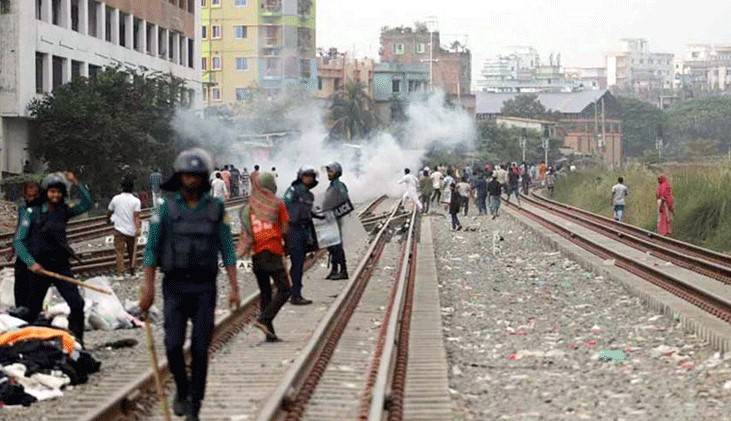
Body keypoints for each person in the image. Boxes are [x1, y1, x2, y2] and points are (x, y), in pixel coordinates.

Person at [139, 148, 239, 421]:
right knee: (172, 345)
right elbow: (151, 250)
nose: (191, 180)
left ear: (203, 177)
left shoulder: (216, 208)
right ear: (179, 177)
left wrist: (234, 287)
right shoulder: (166, 209)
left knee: (200, 349)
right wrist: (147, 288)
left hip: (205, 288)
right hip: (173, 287)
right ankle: (182, 390)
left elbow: (228, 249)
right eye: (186, 175)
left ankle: (196, 404)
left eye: (196, 176)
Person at [13, 172, 92, 345]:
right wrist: (30, 263)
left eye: (59, 192)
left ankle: (77, 342)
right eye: (52, 191)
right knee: (32, 311)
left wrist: (76, 183)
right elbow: (18, 241)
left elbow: (87, 204)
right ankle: (27, 343)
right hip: (39, 269)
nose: (55, 195)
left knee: (77, 304)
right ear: (45, 192)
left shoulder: (64, 211)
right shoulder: (31, 212)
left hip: (61, 266)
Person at [236, 172, 290, 342]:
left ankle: (269, 333)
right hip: (272, 252)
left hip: (256, 256)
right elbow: (285, 229)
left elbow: (246, 234)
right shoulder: (277, 203)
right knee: (285, 289)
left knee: (265, 293)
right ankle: (264, 319)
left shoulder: (248, 207)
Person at [283, 166, 319, 305]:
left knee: (299, 263)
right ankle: (294, 294)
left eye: (311, 175)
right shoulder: (292, 191)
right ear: (300, 176)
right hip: (294, 230)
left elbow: (308, 213)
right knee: (297, 263)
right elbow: (283, 206)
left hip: (305, 230)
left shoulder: (309, 195)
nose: (308, 178)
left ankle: (294, 292)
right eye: (306, 175)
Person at [10, 181, 43, 311]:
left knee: (33, 282)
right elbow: (19, 227)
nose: (31, 199)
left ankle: (32, 310)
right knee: (20, 282)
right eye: (29, 196)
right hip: (23, 250)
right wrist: (13, 248)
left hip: (35, 251)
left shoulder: (40, 209)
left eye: (34, 197)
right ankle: (21, 309)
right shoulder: (23, 207)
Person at [322, 162, 352, 280]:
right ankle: (334, 269)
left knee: (337, 246)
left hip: (336, 220)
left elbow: (345, 202)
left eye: (331, 171)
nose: (328, 174)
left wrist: (334, 214)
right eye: (328, 171)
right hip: (330, 220)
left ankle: (343, 270)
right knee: (332, 245)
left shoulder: (339, 186)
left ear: (337, 172)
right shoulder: (332, 186)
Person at [107, 178, 142, 277]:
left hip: (119, 230)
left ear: (122, 187)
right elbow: (136, 216)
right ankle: (132, 272)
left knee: (119, 252)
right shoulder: (136, 201)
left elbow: (109, 211)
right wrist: (138, 228)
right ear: (132, 188)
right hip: (132, 231)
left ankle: (120, 273)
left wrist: (108, 219)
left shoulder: (116, 199)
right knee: (132, 252)